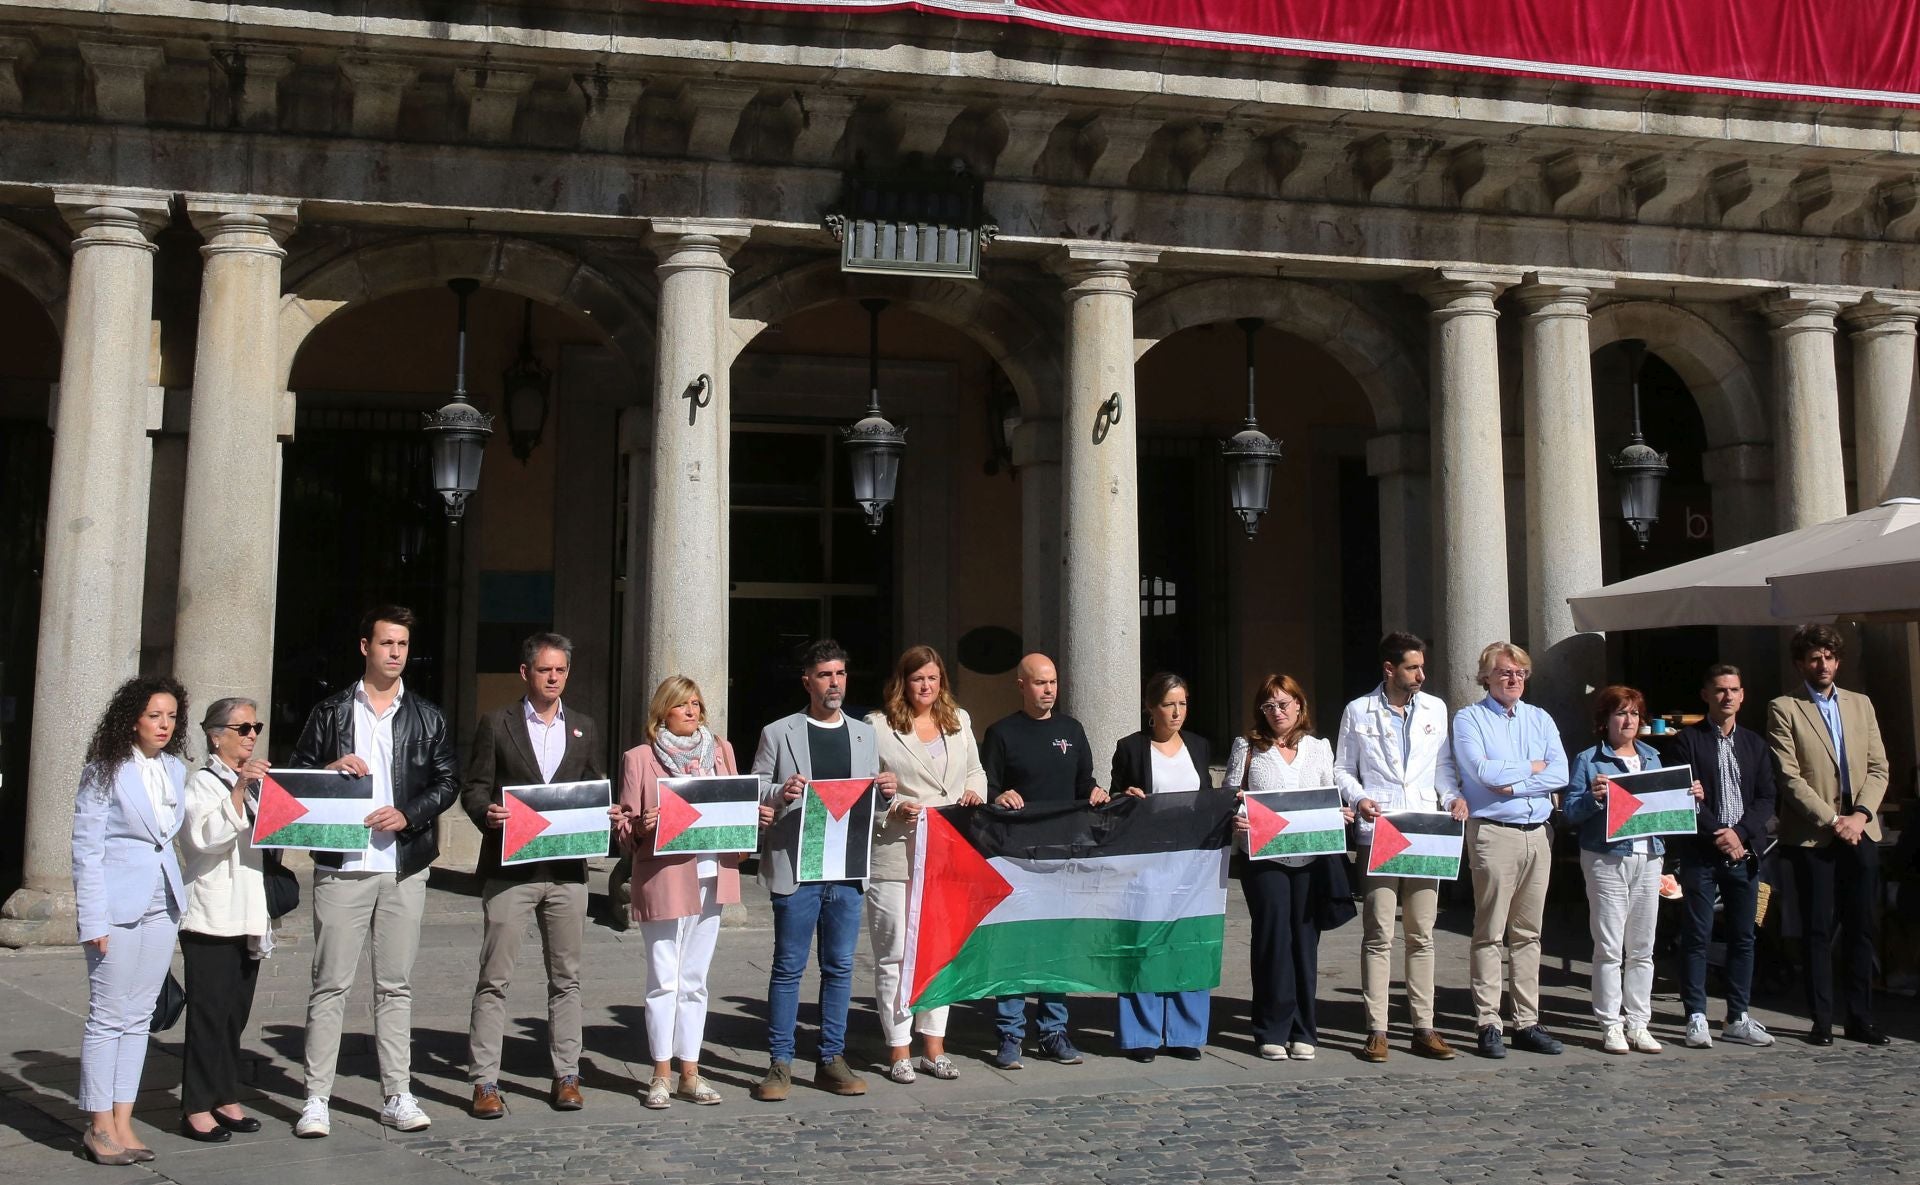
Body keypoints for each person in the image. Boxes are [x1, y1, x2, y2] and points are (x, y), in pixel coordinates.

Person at [290, 605, 460, 1137]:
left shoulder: (427, 715)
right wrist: (326, 770)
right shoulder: (332, 711)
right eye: (386, 643)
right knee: (330, 984)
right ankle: (316, 1098)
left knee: (395, 985)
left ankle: (397, 1093)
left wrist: (409, 814)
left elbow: (447, 782)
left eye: (402, 645)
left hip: (402, 866)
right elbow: (296, 778)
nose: (395, 653)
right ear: (365, 647)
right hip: (343, 863)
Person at [461, 632, 606, 1119]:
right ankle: (484, 1081)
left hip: (567, 872)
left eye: (561, 670)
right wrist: (487, 813)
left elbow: (594, 789)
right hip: (510, 871)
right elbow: (475, 787)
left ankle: (567, 1074)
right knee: (494, 979)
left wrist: (610, 813)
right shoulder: (496, 723)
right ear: (525, 673)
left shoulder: (584, 726)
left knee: (567, 978)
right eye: (545, 670)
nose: (553, 678)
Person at [751, 640, 897, 1101]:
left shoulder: (864, 733)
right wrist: (780, 791)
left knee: (839, 967)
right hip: (797, 865)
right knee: (789, 967)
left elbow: (870, 804)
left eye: (840, 674)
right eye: (825, 675)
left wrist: (888, 793)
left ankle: (832, 1058)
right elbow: (756, 791)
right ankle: (780, 1064)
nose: (835, 683)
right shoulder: (779, 732)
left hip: (846, 866)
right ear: (808, 681)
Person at [615, 674, 764, 1109]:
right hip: (663, 876)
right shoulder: (639, 758)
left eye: (697, 703)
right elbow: (623, 826)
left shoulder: (721, 751)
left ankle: (691, 1072)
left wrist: (754, 816)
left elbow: (736, 803)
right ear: (663, 711)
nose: (692, 710)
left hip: (712, 873)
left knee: (695, 979)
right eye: (683, 704)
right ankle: (660, 1072)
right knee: (665, 977)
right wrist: (640, 824)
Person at [71, 675, 190, 1166]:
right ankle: (98, 1124)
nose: (163, 725)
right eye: (154, 716)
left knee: (140, 1017)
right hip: (115, 905)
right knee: (108, 1015)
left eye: (171, 717)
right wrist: (92, 917)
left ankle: (124, 1118)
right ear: (132, 719)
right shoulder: (105, 769)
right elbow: (86, 848)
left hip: (162, 902)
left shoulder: (175, 770)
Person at [1333, 631, 1466, 1063]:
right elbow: (1342, 769)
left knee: (1422, 932)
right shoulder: (1358, 711)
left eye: (1422, 667)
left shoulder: (1435, 709)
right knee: (1378, 932)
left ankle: (1424, 1026)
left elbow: (1442, 767)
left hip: (1426, 825)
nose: (1421, 675)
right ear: (1389, 669)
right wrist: (1358, 798)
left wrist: (1451, 798)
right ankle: (1377, 1028)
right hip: (1383, 826)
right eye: (1412, 667)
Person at [865, 645, 988, 1083]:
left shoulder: (960, 721)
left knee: (941, 950)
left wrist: (975, 793)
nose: (926, 686)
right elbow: (867, 789)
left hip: (947, 852)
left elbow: (975, 770)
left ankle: (933, 1045)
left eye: (933, 679)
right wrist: (895, 805)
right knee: (895, 953)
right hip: (896, 853)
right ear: (903, 681)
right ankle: (899, 1048)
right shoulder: (877, 727)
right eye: (918, 679)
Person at [979, 652, 1108, 1069]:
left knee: (1057, 944)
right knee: (1015, 944)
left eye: (1053, 682)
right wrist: (998, 796)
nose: (1048, 690)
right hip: (1016, 857)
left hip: (1063, 856)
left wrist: (1096, 792)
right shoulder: (1001, 733)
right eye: (1040, 683)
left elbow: (1083, 782)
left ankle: (1054, 1032)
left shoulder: (1072, 730)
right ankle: (1010, 1035)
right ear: (1022, 686)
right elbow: (987, 787)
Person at [1769, 623, 1891, 1046]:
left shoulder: (1861, 704)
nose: (1823, 664)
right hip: (1813, 836)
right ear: (1801, 663)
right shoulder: (1785, 707)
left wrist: (1859, 815)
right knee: (1817, 929)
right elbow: (1789, 775)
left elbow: (1879, 768)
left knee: (1861, 926)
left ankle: (1861, 1018)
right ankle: (1821, 1020)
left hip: (1861, 830)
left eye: (1829, 657)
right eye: (1814, 658)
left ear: (1838, 661)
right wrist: (1832, 819)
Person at [1563, 686, 1702, 1055]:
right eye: (1621, 714)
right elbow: (1571, 813)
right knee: (1609, 945)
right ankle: (1610, 1024)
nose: (1629, 721)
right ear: (1605, 720)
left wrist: (1692, 798)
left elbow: (1667, 810)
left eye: (1635, 714)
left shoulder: (1654, 757)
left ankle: (1639, 1022)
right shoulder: (1590, 759)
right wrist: (1593, 797)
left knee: (1643, 946)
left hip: (1649, 854)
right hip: (1607, 857)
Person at [1224, 674, 1352, 1062]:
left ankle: (1304, 1030)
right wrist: (1237, 814)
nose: (1277, 712)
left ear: (1299, 705)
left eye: (1284, 704)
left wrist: (1339, 812)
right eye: (1269, 706)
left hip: (1311, 857)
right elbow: (1230, 794)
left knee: (1304, 941)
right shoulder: (1247, 747)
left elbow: (1327, 792)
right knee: (1272, 940)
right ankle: (1270, 1028)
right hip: (1264, 858)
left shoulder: (1318, 748)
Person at [1453, 641, 1568, 1059]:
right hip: (1494, 833)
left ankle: (1527, 1020)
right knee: (1490, 930)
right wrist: (1533, 769)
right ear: (1485, 677)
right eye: (1504, 672)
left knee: (1529, 933)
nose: (1513, 679)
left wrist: (1515, 780)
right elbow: (1481, 772)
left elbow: (1560, 771)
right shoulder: (1470, 719)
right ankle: (1488, 1021)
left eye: (1520, 673)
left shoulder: (1539, 718)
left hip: (1538, 832)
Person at [176, 697, 274, 1143]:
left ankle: (224, 1094)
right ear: (216, 736)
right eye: (243, 728)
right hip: (211, 916)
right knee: (209, 1014)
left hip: (249, 912)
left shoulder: (255, 781)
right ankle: (196, 1105)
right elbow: (205, 838)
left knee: (235, 1014)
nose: (252, 735)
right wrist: (239, 791)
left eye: (256, 726)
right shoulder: (200, 782)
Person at [1108, 671, 1215, 1062]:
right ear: (1150, 708)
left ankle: (1186, 1032)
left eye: (1183, 703)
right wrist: (1126, 796)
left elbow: (1209, 800)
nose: (1177, 712)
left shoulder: (1199, 747)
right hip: (1147, 864)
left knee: (1188, 943)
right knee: (1144, 942)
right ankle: (1142, 1035)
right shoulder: (1132, 748)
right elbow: (1116, 800)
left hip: (1192, 864)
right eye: (1169, 704)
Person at [1669, 663, 1777, 1049]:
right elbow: (1682, 796)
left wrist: (1742, 834)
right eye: (1719, 690)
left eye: (1733, 689)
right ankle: (1695, 1014)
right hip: (1703, 853)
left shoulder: (1754, 744)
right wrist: (1720, 833)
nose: (1726, 696)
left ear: (1743, 695)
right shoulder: (1687, 742)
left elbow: (1767, 798)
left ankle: (1738, 1015)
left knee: (1743, 936)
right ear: (1706, 695)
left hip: (1744, 852)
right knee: (1696, 934)